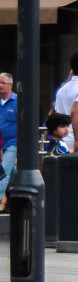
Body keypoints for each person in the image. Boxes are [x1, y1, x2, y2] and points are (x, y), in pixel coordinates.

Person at [0, 72, 17, 211]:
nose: (0, 86)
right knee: (12, 174)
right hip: (1, 143)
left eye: (3, 83)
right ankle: (17, 197)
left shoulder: (17, 101)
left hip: (13, 143)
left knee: (3, 171)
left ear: (10, 85)